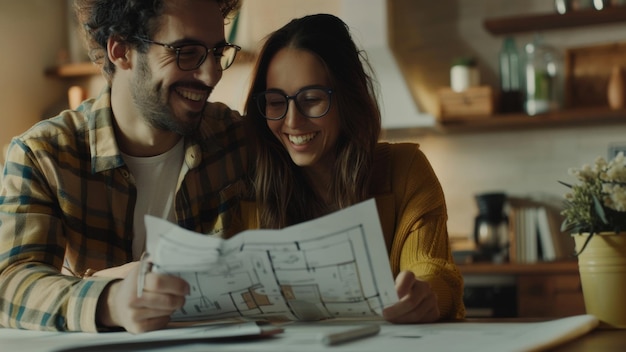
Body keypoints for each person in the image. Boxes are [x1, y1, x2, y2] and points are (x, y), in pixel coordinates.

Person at [0, 0, 249, 333]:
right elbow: (10, 283)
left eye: (217, 52)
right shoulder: (43, 154)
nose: (211, 74)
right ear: (121, 50)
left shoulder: (237, 141)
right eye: (186, 51)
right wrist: (110, 302)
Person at [242, 13, 465, 323]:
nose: (292, 121)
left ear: (347, 98)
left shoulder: (406, 170)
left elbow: (430, 268)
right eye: (276, 101)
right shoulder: (249, 184)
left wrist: (424, 294)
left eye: (311, 99)